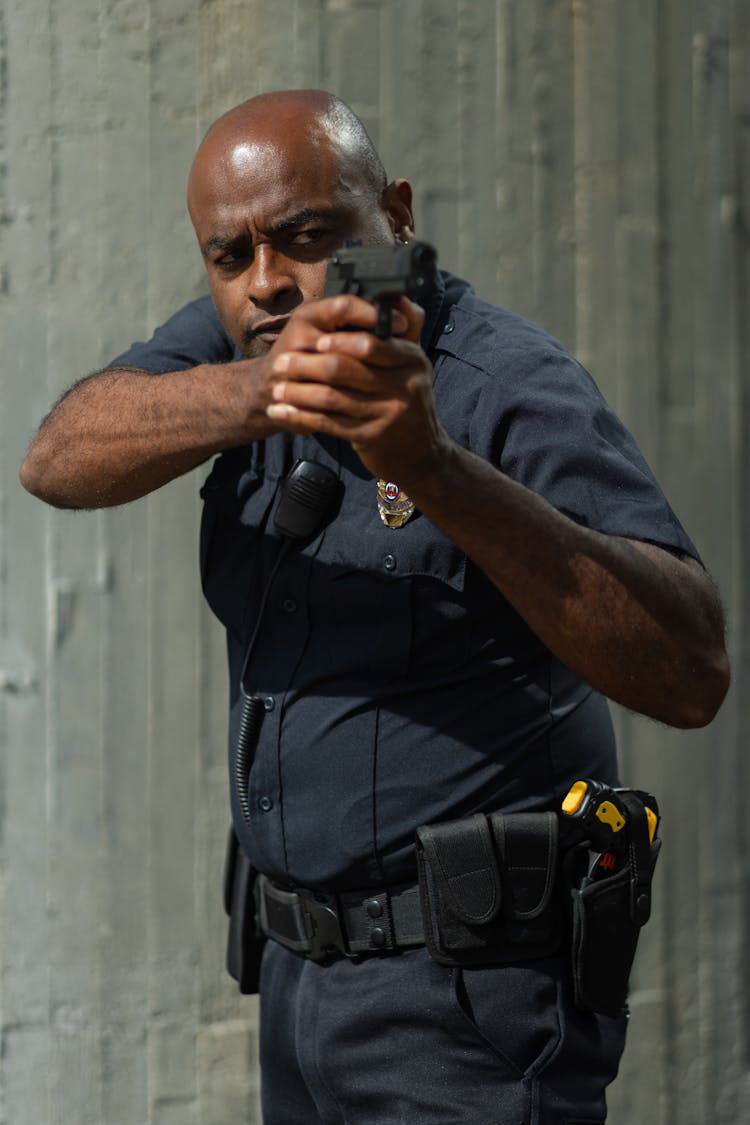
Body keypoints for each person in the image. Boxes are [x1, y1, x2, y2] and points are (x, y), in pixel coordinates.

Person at [20, 89, 729, 1124]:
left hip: (468, 1010)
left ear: (394, 217)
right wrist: (261, 392)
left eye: (308, 239)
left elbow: (690, 667)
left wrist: (433, 468)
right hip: (298, 984)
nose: (269, 280)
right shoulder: (251, 334)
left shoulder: (501, 380)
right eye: (232, 256)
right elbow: (58, 457)